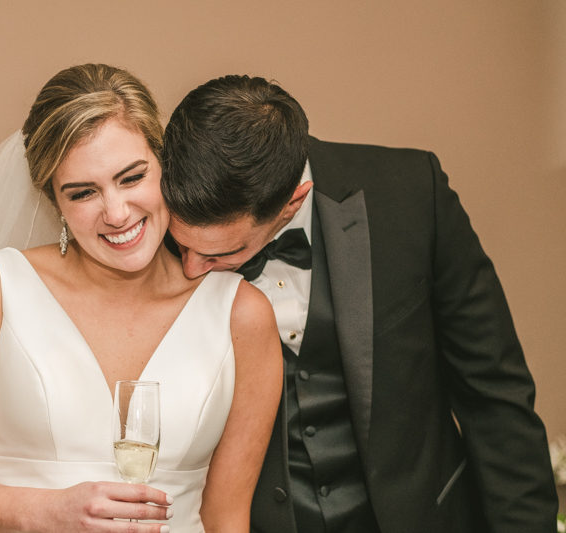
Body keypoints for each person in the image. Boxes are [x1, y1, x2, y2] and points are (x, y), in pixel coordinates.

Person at [0, 64, 283, 533]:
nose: (117, 213)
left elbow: (227, 517)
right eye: (82, 193)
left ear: (165, 166)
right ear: (52, 201)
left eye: (132, 177)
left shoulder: (241, 314)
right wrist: (43, 511)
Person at [160, 75, 558, 533]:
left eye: (219, 254)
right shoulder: (151, 229)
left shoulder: (411, 195)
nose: (190, 269)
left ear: (293, 201)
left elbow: (495, 395)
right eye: (182, 246)